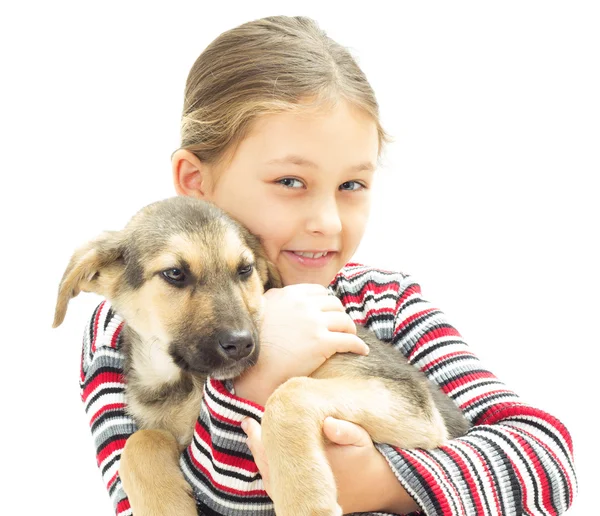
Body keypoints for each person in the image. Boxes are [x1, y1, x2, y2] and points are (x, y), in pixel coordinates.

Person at [79, 15, 577, 515]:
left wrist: (384, 481)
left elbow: (547, 462)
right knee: (141, 450)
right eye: (290, 182)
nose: (327, 222)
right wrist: (254, 384)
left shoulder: (385, 303)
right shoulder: (120, 331)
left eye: (352, 186)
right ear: (195, 180)